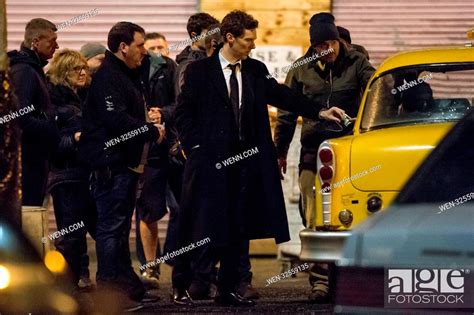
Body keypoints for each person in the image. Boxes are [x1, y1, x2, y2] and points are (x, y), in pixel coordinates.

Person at [174, 10, 345, 307]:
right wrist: (195, 148)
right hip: (210, 165)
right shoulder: (200, 72)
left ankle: (232, 287)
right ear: (230, 38)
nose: (253, 45)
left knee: (240, 223)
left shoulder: (254, 69)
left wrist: (319, 111)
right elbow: (184, 114)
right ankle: (187, 283)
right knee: (201, 222)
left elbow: (283, 95)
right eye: (248, 40)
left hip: (245, 164)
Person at [274, 13, 375, 303]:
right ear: (313, 46)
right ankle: (320, 282)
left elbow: (377, 89)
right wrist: (279, 152)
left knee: (352, 214)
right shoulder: (300, 69)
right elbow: (286, 114)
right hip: (312, 151)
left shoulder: (357, 63)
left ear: (337, 40)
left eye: (331, 43)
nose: (327, 50)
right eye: (321, 46)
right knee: (313, 215)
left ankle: (351, 277)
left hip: (352, 151)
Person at [79, 21, 165, 311]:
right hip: (111, 165)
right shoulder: (108, 78)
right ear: (123, 46)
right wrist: (150, 131)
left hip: (123, 166)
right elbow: (115, 121)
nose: (145, 51)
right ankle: (109, 291)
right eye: (140, 45)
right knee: (111, 229)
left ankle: (127, 285)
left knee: (118, 228)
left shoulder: (125, 74)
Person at [46, 49, 97, 290]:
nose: (83, 72)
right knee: (71, 235)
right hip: (65, 176)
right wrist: (75, 138)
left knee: (86, 231)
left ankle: (72, 282)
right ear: (64, 72)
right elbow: (51, 143)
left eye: (85, 67)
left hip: (82, 175)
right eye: (77, 68)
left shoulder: (81, 97)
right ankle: (65, 287)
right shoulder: (55, 102)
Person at [134, 31, 179, 289]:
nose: (155, 52)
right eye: (151, 47)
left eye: (160, 47)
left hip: (172, 148)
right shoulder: (136, 71)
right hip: (147, 149)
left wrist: (162, 113)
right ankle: (150, 267)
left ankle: (178, 259)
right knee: (148, 210)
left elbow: (180, 103)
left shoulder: (172, 69)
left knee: (181, 208)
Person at [8, 18, 59, 207]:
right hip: (29, 163)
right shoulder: (25, 72)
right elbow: (20, 118)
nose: (57, 46)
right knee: (29, 212)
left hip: (33, 160)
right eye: (52, 41)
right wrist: (52, 127)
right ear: (36, 42)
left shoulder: (32, 70)